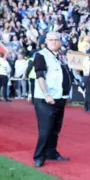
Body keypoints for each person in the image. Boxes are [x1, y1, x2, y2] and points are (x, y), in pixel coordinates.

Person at [32, 32, 72, 168]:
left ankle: (51, 152)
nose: (54, 42)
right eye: (51, 40)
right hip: (45, 99)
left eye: (57, 40)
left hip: (60, 98)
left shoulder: (61, 56)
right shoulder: (41, 55)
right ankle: (39, 156)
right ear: (46, 41)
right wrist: (46, 94)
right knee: (45, 130)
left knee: (55, 129)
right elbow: (40, 76)